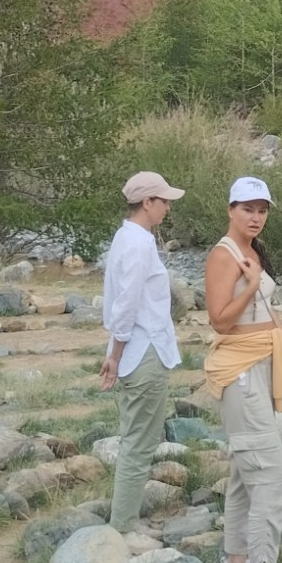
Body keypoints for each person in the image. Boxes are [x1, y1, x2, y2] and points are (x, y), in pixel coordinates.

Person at [202, 176, 282, 563]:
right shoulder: (223, 256)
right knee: (271, 475)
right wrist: (254, 278)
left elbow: (265, 307)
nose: (256, 217)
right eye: (248, 208)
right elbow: (220, 320)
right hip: (238, 368)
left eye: (262, 210)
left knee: (247, 472)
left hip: (261, 362)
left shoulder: (250, 252)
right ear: (231, 210)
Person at [99, 171, 185, 531]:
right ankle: (123, 525)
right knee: (139, 442)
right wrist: (115, 355)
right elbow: (127, 304)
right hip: (143, 350)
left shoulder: (127, 237)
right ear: (146, 203)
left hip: (141, 348)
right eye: (163, 201)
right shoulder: (139, 243)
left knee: (139, 438)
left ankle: (125, 517)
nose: (167, 207)